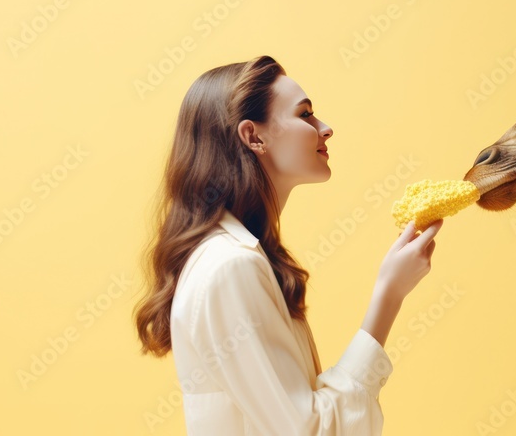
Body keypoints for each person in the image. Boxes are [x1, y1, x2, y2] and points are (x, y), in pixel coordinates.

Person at [133, 55, 444, 435]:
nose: (325, 129)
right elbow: (310, 430)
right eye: (306, 114)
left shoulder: (242, 258)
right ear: (253, 136)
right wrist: (389, 294)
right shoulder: (230, 267)